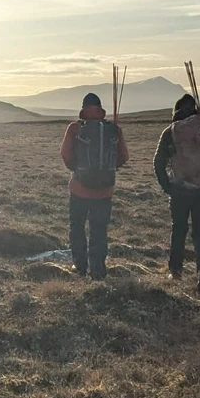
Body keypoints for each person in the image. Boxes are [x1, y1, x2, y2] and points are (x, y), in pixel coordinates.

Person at [153, 94, 200, 293]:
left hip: (180, 190)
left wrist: (168, 187)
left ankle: (175, 271)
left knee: (178, 229)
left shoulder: (170, 132)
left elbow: (158, 162)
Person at [59, 92, 129, 280]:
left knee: (77, 228)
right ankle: (98, 269)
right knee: (99, 230)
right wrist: (108, 170)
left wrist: (77, 169)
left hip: (79, 189)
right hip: (104, 192)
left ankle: (80, 267)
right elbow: (124, 156)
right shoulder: (114, 129)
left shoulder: (75, 128)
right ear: (101, 109)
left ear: (83, 109)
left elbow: (65, 153)